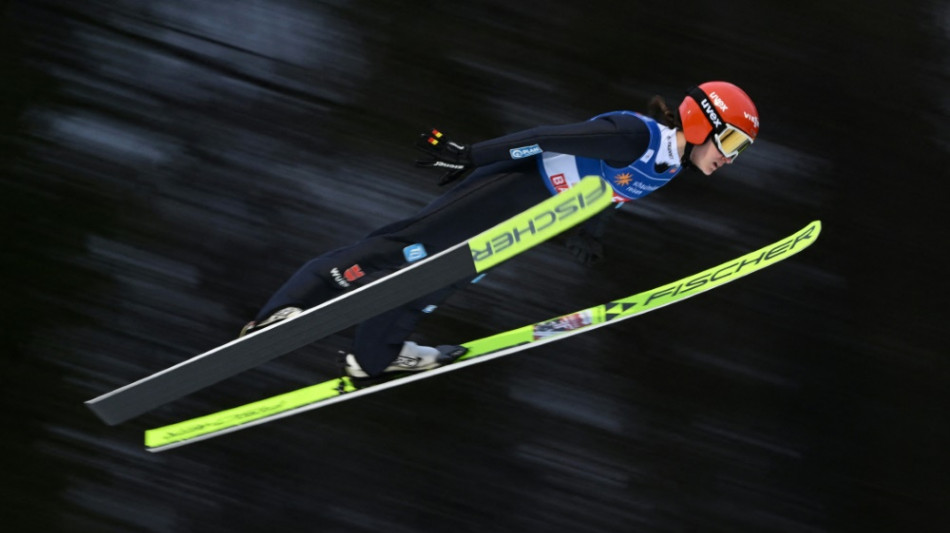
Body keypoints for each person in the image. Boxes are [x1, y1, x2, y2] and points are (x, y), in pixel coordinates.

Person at [241, 81, 760, 380]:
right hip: (511, 187)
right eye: (730, 142)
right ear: (702, 122)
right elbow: (543, 138)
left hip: (529, 219)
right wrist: (469, 156)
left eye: (739, 150)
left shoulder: (666, 167)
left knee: (437, 282)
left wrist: (591, 231)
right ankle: (286, 311)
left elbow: (611, 190)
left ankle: (371, 356)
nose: (729, 158)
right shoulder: (634, 134)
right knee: (402, 249)